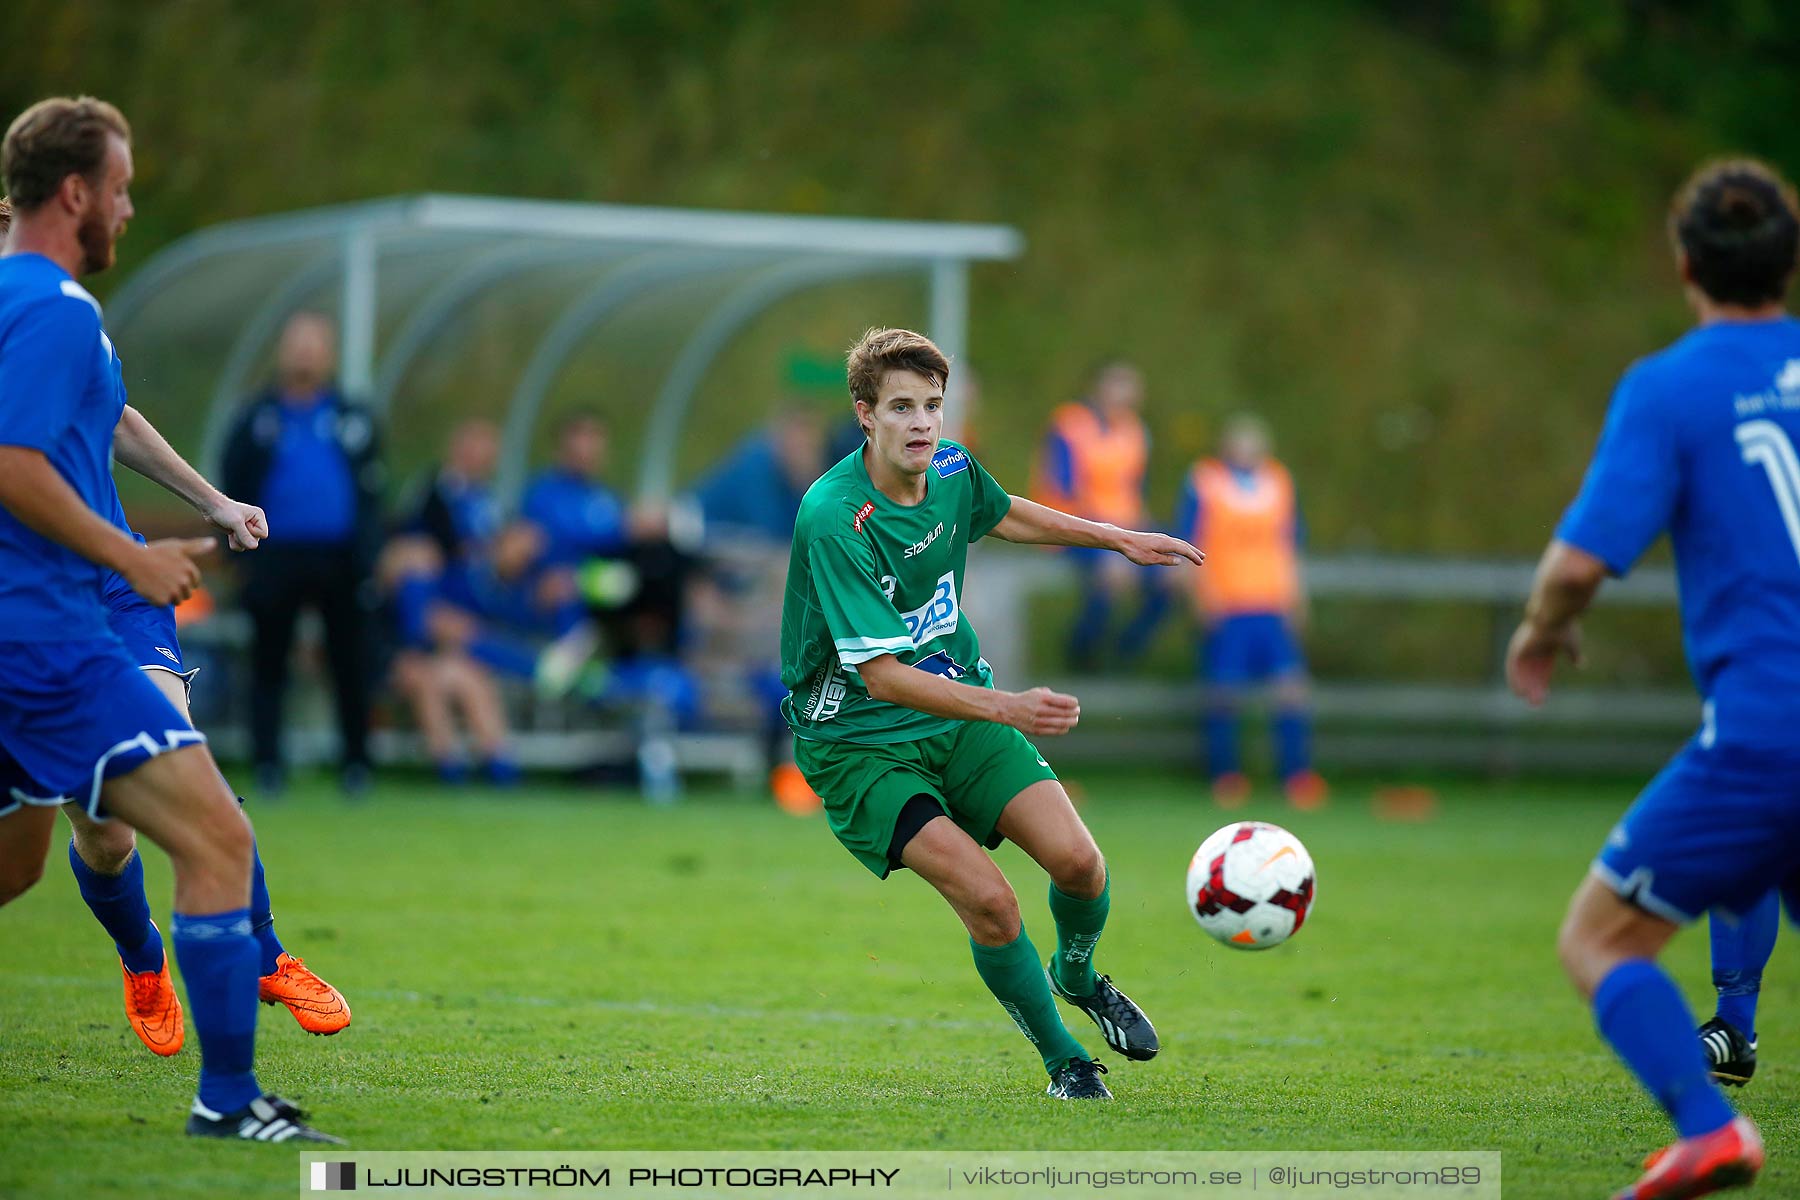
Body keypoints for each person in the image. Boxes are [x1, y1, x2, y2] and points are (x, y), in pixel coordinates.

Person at [0, 95, 340, 1142]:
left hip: (40, 625)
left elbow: (93, 422)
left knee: (18, 867)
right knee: (216, 836)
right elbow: (13, 463)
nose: (130, 207)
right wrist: (127, 553)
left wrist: (203, 506)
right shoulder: (50, 308)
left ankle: (188, 976)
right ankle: (228, 1100)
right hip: (46, 638)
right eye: (121, 188)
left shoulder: (35, 310)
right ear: (75, 194)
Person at [782, 328, 1204, 1100]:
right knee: (991, 899)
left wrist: (1116, 538)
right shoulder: (834, 516)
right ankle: (1066, 1063)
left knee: (1080, 865)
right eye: (902, 407)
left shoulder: (948, 466)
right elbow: (880, 676)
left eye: (933, 406)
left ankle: (1076, 974)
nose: (922, 424)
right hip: (859, 743)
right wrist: (1008, 706)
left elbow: (1003, 511)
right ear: (864, 415)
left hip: (958, 710)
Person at [1505, 158, 1800, 1197]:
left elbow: (1580, 561)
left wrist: (1542, 632)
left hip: (1771, 729)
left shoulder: (1671, 388)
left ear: (1685, 263)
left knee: (1597, 936)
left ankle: (1710, 1128)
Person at [222, 312, 383, 795]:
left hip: (339, 557)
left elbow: (373, 489)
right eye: (298, 343)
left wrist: (371, 555)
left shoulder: (352, 417)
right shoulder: (257, 418)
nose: (306, 353)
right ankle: (269, 764)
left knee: (349, 662)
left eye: (315, 344)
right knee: (270, 660)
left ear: (329, 354)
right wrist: (239, 555)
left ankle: (356, 764)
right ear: (282, 350)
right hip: (275, 554)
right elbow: (232, 481)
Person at [1172, 415, 1325, 809]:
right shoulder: (1204, 480)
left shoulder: (1278, 482)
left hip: (1271, 604)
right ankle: (1226, 777)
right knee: (1224, 694)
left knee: (1291, 690)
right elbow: (1189, 540)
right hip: (1227, 604)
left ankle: (1297, 776)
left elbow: (1289, 545)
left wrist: (1297, 596)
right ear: (1225, 444)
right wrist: (1198, 596)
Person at [1031, 361, 1170, 671]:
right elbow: (1065, 490)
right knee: (1111, 574)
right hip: (1071, 528)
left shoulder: (1135, 431)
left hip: (1123, 527)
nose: (1125, 394)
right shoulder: (1070, 425)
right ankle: (1081, 655)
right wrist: (1114, 541)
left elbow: (1136, 493)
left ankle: (1125, 652)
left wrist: (1145, 537)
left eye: (1131, 386)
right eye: (1118, 384)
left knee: (1175, 568)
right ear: (1098, 387)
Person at [520, 410, 627, 567]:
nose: (589, 446)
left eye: (597, 437)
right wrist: (622, 528)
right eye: (583, 436)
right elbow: (557, 534)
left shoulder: (609, 496)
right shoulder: (543, 492)